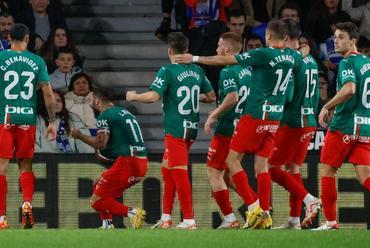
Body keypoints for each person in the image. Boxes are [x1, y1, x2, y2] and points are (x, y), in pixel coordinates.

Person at [174, 20, 311, 229]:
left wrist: (193, 58)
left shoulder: (262, 55)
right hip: (275, 118)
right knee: (261, 165)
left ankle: (254, 208)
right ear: (285, 38)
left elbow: (224, 62)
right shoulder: (292, 56)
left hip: (254, 115)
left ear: (268, 36)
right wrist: (303, 46)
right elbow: (304, 50)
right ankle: (265, 211)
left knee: (232, 161)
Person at [317, 21, 370, 230]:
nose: (336, 41)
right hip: (366, 127)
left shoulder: (347, 62)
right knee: (366, 177)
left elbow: (349, 89)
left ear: (353, 40)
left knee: (327, 173)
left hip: (345, 125)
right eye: (335, 37)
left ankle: (330, 222)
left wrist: (327, 106)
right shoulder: (368, 63)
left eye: (341, 37)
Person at [126, 32, 216, 229]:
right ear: (186, 49)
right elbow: (211, 96)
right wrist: (193, 96)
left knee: (180, 172)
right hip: (191, 128)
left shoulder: (167, 71)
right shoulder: (197, 71)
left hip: (176, 129)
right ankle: (166, 217)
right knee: (167, 170)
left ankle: (190, 220)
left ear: (169, 51)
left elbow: (152, 97)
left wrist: (134, 96)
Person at [0, 23, 57, 229]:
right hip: (27, 120)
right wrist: (52, 121)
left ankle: (1, 219)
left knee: (0, 169)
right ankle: (26, 203)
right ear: (27, 39)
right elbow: (48, 94)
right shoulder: (37, 61)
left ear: (9, 39)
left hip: (4, 119)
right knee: (25, 165)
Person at [267, 19, 322, 230]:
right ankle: (293, 220)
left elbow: (288, 94)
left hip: (292, 122)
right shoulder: (311, 61)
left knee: (270, 168)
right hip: (309, 120)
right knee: (293, 168)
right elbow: (315, 94)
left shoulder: (292, 61)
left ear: (286, 38)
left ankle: (309, 200)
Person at [71, 88, 148, 229]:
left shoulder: (105, 116)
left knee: (95, 202)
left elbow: (101, 143)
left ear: (97, 100)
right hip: (140, 162)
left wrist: (79, 136)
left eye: (91, 101)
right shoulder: (125, 113)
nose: (90, 104)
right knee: (98, 183)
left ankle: (133, 212)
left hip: (128, 161)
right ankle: (107, 224)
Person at [203, 32, 253, 229]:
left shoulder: (228, 71)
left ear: (227, 49)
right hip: (241, 128)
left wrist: (213, 115)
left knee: (213, 172)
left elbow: (232, 97)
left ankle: (230, 218)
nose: (216, 50)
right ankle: (257, 207)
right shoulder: (248, 71)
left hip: (226, 129)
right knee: (229, 176)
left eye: (218, 46)